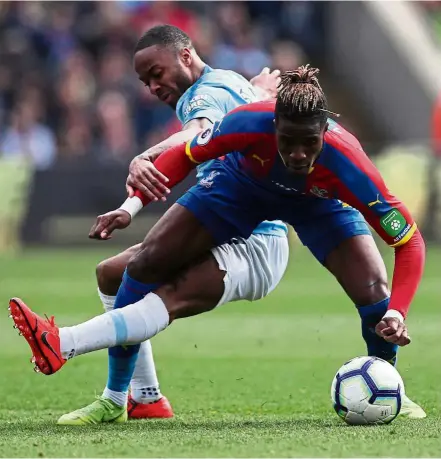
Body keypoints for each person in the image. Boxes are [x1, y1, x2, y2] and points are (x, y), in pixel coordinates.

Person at [9, 66, 426, 422]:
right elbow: (187, 154)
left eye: (309, 143)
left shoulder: (351, 165)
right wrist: (131, 207)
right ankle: (120, 397)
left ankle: (389, 387)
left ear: (325, 133)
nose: (298, 154)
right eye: (288, 141)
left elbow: (409, 242)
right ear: (273, 125)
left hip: (320, 206)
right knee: (145, 263)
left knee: (374, 293)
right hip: (242, 188)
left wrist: (398, 311)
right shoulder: (248, 121)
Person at [65, 24, 289, 422]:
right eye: (144, 81)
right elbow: (221, 128)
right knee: (112, 274)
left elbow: (198, 133)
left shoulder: (201, 94)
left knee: (150, 296)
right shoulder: (229, 82)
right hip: (233, 227)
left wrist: (144, 156)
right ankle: (145, 398)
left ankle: (69, 350)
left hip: (251, 241)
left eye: (156, 73)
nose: (152, 87)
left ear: (186, 55)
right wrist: (130, 207)